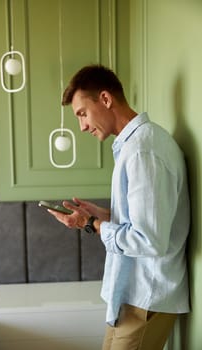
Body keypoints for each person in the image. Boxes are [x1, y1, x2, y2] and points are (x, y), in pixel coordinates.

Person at [48, 64, 190, 350]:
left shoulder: (143, 151)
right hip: (131, 294)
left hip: (146, 295)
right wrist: (103, 216)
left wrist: (92, 225)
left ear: (105, 98)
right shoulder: (134, 147)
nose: (83, 126)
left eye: (82, 114)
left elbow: (149, 239)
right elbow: (148, 219)